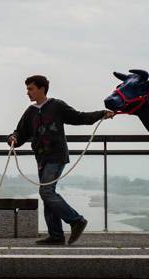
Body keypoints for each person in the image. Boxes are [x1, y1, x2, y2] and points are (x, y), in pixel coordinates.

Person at [7, 75, 110, 245]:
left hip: (56, 156)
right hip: (41, 158)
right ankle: (56, 235)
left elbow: (79, 117)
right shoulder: (30, 112)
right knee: (49, 195)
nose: (28, 92)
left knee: (46, 192)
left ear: (42, 89)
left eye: (30, 88)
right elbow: (20, 132)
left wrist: (101, 114)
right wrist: (12, 138)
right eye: (27, 89)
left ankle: (76, 220)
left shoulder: (57, 106)